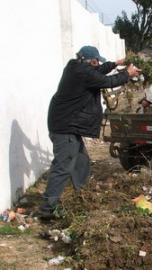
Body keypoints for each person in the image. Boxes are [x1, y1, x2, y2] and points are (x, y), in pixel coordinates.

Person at [38, 45, 141, 219]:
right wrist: (127, 74)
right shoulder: (83, 73)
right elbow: (107, 81)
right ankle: (47, 209)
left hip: (66, 124)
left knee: (82, 161)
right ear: (89, 61)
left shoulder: (75, 66)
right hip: (65, 127)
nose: (97, 64)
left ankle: (82, 196)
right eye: (96, 61)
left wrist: (116, 63)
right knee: (62, 166)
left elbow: (99, 71)